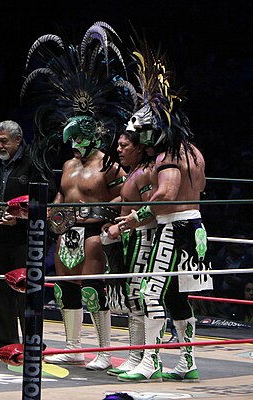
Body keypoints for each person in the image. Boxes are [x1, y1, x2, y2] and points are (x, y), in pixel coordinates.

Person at [20, 23, 135, 370]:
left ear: (89, 136)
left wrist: (102, 211)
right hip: (66, 231)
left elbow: (125, 197)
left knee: (92, 289)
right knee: (65, 288)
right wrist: (53, 214)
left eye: (76, 139)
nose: (72, 145)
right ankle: (73, 345)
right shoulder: (68, 165)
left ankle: (102, 350)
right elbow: (59, 194)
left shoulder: (109, 165)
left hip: (94, 230)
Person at [116, 42, 213, 383]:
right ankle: (186, 362)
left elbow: (167, 194)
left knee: (148, 293)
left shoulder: (168, 155)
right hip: (195, 224)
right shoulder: (194, 151)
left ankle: (152, 359)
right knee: (175, 296)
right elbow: (197, 189)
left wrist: (133, 217)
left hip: (174, 226)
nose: (145, 142)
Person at [0, 120, 56, 351]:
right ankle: (5, 340)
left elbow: (47, 197)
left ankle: (32, 341)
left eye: (4, 141)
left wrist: (19, 217)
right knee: (2, 289)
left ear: (18, 140)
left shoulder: (34, 162)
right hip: (0, 238)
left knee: (27, 291)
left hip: (28, 239)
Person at [103, 130, 157, 376]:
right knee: (132, 299)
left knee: (139, 299)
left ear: (138, 147)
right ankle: (135, 356)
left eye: (124, 145)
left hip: (143, 238)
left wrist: (121, 226)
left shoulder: (145, 172)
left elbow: (150, 209)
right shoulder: (133, 172)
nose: (119, 150)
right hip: (130, 238)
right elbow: (130, 202)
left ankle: (142, 357)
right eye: (119, 145)